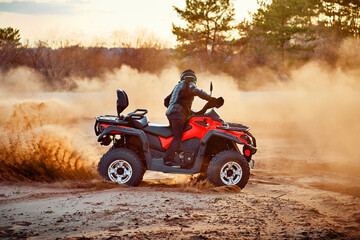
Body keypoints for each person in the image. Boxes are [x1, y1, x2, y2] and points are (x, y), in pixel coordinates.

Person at [163, 69, 219, 166]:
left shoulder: (178, 86)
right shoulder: (189, 84)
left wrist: (183, 110)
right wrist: (210, 99)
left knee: (182, 134)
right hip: (178, 115)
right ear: (193, 79)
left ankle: (181, 155)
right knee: (178, 136)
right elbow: (197, 91)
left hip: (172, 114)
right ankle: (168, 158)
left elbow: (166, 101)